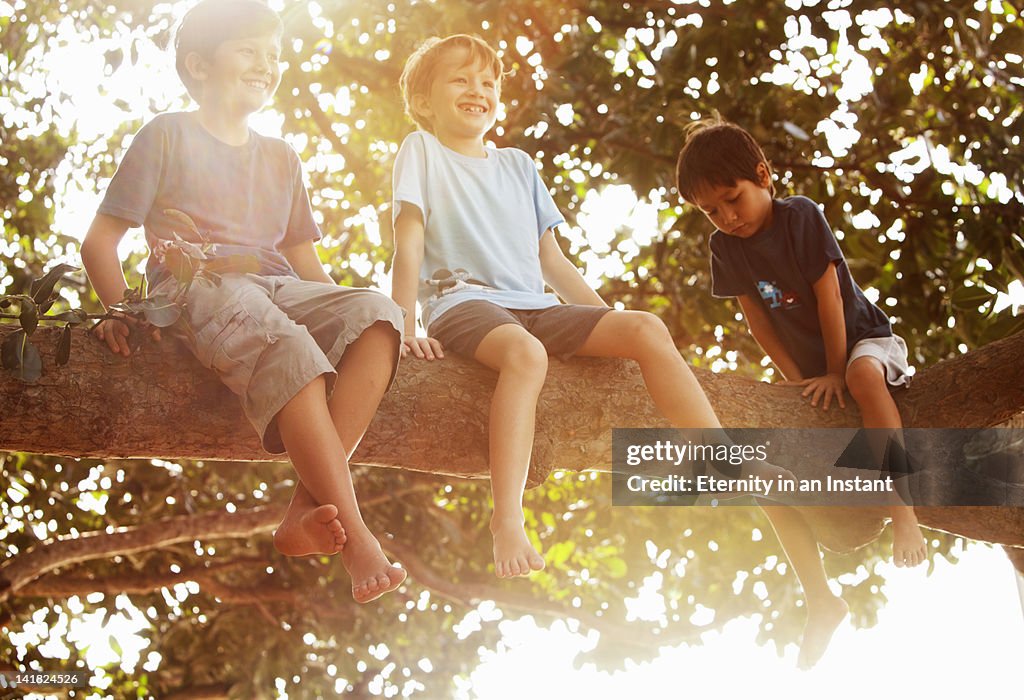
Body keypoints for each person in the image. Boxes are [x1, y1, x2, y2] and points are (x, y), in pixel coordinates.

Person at [390, 35, 792, 580]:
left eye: (488, 82)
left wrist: (613, 327)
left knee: (646, 328)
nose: (477, 90)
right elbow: (408, 238)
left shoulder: (518, 166)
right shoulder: (421, 151)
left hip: (536, 304)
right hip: (464, 302)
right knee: (525, 356)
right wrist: (403, 320)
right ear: (424, 101)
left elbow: (552, 262)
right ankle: (507, 518)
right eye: (460, 79)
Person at [80, 0, 406, 604]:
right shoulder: (166, 135)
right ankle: (357, 536)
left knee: (377, 314)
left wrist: (359, 324)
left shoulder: (283, 158)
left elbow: (307, 265)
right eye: (250, 50)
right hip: (196, 284)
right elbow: (100, 242)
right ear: (199, 65)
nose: (267, 64)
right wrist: (121, 308)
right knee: (286, 342)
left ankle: (301, 512)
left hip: (274, 284)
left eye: (274, 54)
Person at [676, 117, 929, 667]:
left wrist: (837, 371)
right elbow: (759, 324)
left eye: (732, 199)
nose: (726, 217)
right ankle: (820, 597)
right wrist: (796, 384)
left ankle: (903, 510)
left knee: (864, 379)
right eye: (710, 211)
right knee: (763, 471)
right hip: (810, 372)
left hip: (864, 343)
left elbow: (831, 299)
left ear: (763, 176)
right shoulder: (726, 247)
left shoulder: (801, 217)